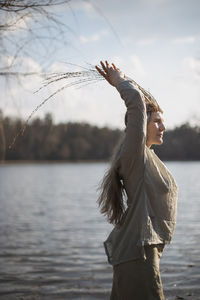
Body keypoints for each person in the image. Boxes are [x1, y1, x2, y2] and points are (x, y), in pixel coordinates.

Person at [95, 61, 178, 300]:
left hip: (141, 252)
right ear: (142, 126)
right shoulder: (134, 155)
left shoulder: (146, 157)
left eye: (163, 121)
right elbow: (137, 106)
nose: (163, 126)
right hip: (138, 255)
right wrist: (120, 81)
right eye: (157, 121)